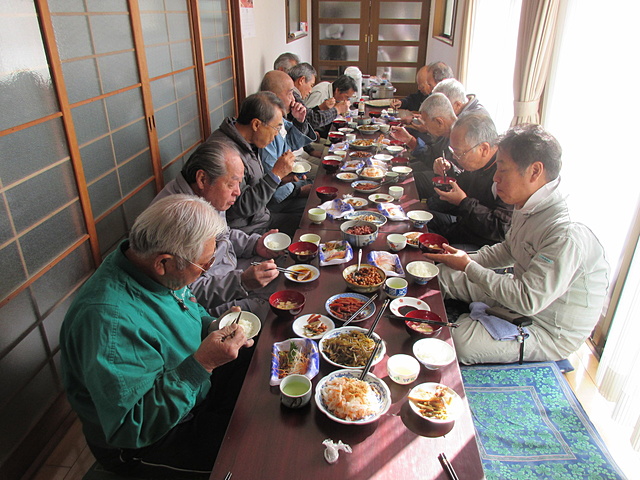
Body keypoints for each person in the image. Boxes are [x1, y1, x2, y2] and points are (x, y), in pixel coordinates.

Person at [60, 195, 254, 477]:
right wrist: (202, 364)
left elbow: (188, 305)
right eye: (204, 266)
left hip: (189, 387)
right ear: (164, 262)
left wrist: (213, 326)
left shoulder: (150, 267)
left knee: (258, 366)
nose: (208, 269)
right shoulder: (108, 323)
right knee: (246, 458)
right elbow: (131, 427)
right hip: (148, 441)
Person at [424, 124, 609, 365]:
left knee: (459, 342)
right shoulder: (529, 202)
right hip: (519, 295)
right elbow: (508, 249)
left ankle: (484, 322)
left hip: (548, 327)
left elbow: (528, 300)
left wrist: (469, 267)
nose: (495, 177)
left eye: (503, 169)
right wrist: (464, 259)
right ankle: (480, 315)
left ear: (535, 171)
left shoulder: (565, 233)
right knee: (442, 274)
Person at [153, 140, 280, 318]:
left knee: (285, 269)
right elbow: (188, 294)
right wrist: (241, 282)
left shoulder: (205, 197)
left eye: (239, 184)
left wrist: (255, 244)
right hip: (208, 299)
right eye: (231, 184)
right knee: (276, 307)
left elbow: (224, 234)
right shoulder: (179, 218)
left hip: (229, 269)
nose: (238, 192)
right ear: (202, 179)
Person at [414, 113, 513, 249]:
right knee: (417, 221)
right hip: (465, 225)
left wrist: (463, 202)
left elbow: (500, 229)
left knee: (432, 253)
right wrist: (446, 172)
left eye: (459, 153)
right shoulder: (478, 163)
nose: (455, 157)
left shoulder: (506, 174)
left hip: (484, 244)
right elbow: (462, 186)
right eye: (452, 151)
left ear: (483, 149)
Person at [208, 92, 298, 235]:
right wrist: (275, 175)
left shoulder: (247, 142)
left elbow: (254, 183)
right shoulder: (226, 154)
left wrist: (281, 178)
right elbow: (238, 208)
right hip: (247, 232)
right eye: (276, 128)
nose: (276, 135)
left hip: (262, 217)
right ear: (256, 124)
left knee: (309, 216)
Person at [258, 70, 318, 214]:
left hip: (290, 182)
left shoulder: (278, 117)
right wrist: (298, 190)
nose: (293, 100)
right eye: (290, 93)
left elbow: (291, 143)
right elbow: (273, 174)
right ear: (274, 96)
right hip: (278, 200)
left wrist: (299, 120)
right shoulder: (265, 128)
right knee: (316, 203)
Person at [390, 92, 456, 169]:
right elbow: (432, 157)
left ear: (439, 122)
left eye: (425, 121)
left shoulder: (461, 137)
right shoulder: (445, 133)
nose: (424, 125)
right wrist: (410, 140)